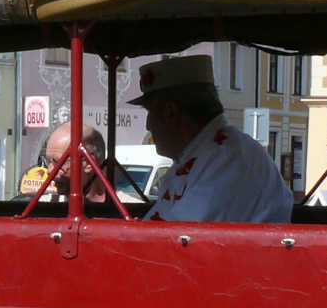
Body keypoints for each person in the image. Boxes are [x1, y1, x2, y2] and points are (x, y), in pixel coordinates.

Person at [128, 55, 292, 224]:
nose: (148, 126)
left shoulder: (226, 158)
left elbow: (182, 235)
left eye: (150, 113)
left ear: (171, 113)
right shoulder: (209, 155)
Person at [40, 122, 109, 202]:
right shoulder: (47, 204)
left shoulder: (121, 205)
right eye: (49, 161)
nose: (49, 170)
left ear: (88, 163)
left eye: (57, 162)